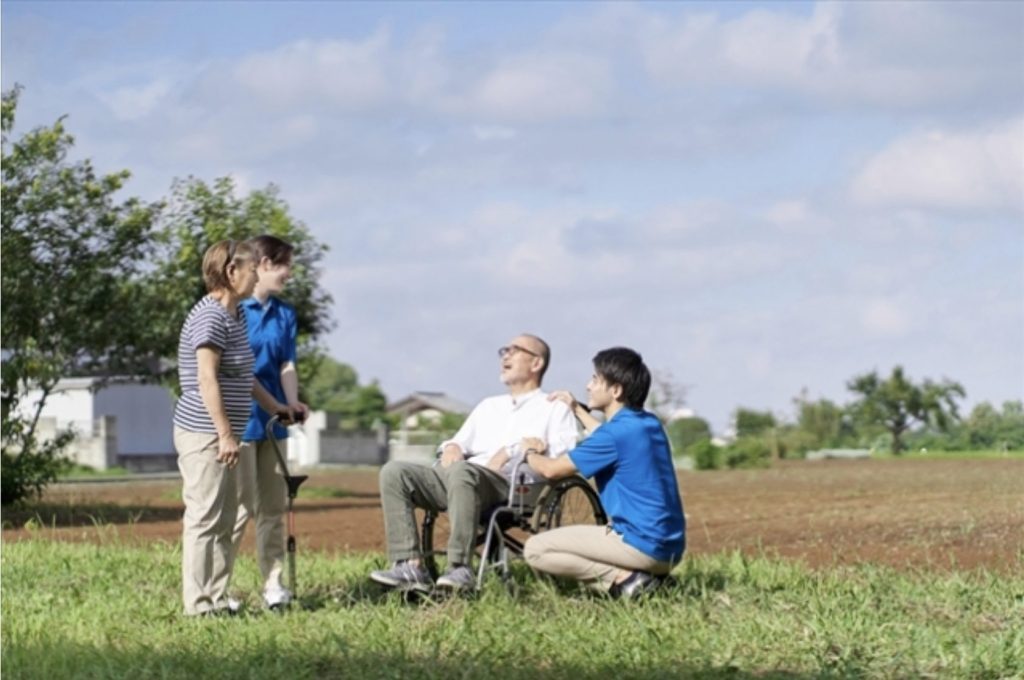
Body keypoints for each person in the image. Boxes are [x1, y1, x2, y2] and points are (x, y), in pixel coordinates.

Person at [370, 333, 578, 593]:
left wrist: (513, 451)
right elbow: (457, 442)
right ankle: (410, 566)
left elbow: (563, 456)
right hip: (464, 478)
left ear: (536, 363)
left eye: (515, 350)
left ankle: (459, 567)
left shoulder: (553, 408)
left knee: (462, 472)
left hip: (512, 486)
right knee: (395, 471)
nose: (506, 355)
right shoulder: (488, 406)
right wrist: (453, 446)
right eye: (505, 350)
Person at [173, 239, 296, 617]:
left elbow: (245, 375)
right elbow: (206, 379)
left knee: (225, 518)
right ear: (231, 272)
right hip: (205, 433)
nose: (257, 274)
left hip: (225, 431)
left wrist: (275, 406)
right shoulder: (209, 316)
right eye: (251, 269)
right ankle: (198, 605)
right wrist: (226, 434)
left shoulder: (236, 315)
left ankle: (218, 596)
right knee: (205, 517)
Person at [521, 347, 685, 599]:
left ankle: (627, 580)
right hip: (670, 548)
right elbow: (608, 436)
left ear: (616, 390)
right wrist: (576, 409)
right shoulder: (647, 423)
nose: (588, 385)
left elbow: (551, 470)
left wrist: (530, 451)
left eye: (596, 379)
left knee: (535, 550)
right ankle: (651, 577)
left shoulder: (614, 435)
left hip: (639, 545)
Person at [229, 234, 310, 610]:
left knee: (273, 509)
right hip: (239, 423)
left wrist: (291, 402)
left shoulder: (285, 314)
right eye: (283, 266)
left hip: (274, 424)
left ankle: (273, 585)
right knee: (238, 508)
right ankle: (220, 588)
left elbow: (286, 364)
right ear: (262, 265)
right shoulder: (234, 310)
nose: (288, 274)